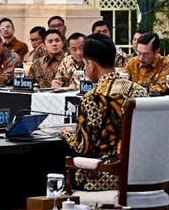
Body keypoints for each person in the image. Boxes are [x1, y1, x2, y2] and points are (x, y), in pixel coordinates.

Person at [59, 34, 148, 191]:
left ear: (91, 65)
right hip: (142, 174)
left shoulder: (93, 98)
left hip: (106, 176)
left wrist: (66, 133)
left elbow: (83, 146)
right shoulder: (139, 91)